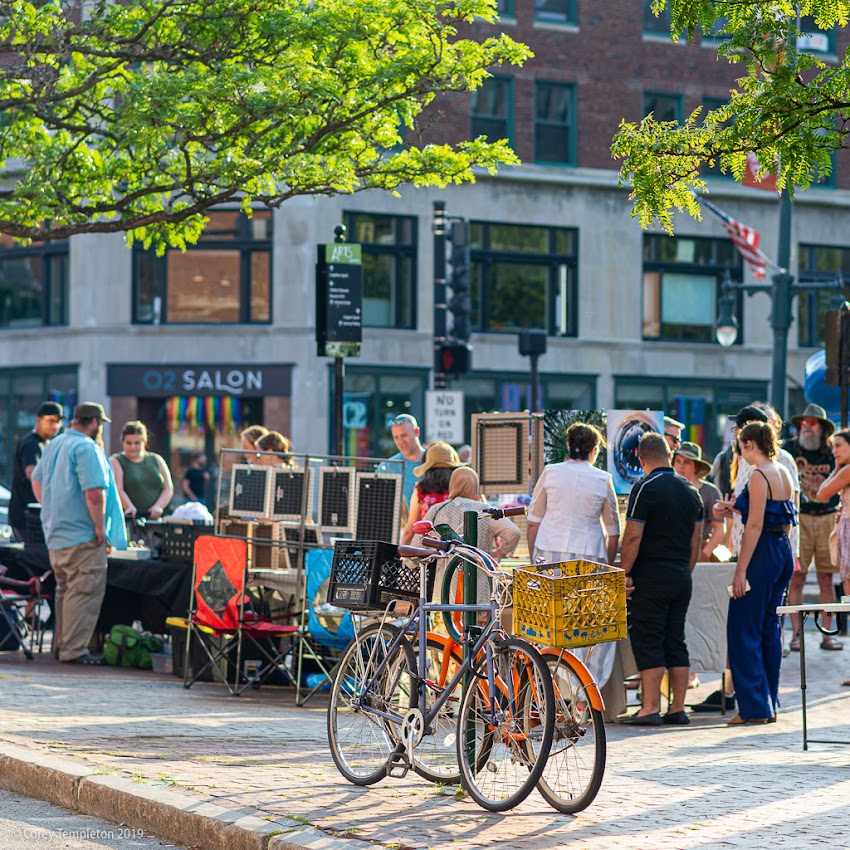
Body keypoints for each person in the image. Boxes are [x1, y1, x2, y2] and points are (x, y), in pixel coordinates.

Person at [31, 402, 127, 666]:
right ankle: (74, 650)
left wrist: (50, 507)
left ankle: (62, 645)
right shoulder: (86, 448)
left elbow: (36, 480)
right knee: (83, 592)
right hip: (81, 533)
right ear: (95, 423)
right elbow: (95, 492)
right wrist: (99, 529)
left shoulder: (55, 444)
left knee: (66, 590)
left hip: (56, 532)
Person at [527, 422, 621, 688]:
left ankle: (554, 686)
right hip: (590, 555)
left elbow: (534, 520)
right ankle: (584, 689)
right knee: (587, 622)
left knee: (550, 620)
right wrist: (609, 563)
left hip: (550, 551)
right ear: (595, 449)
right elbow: (613, 529)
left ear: (568, 446)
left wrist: (536, 560)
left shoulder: (551, 472)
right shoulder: (603, 478)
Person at [715, 421, 796, 725]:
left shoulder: (759, 475)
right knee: (768, 628)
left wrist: (741, 571)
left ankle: (753, 708)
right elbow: (784, 519)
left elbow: (755, 525)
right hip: (782, 549)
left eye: (740, 446)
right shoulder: (783, 471)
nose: (740, 453)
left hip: (762, 551)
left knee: (742, 628)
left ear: (750, 444)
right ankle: (768, 702)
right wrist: (736, 508)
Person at [619, 432, 703, 726]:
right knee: (675, 639)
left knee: (649, 638)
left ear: (640, 458)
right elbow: (697, 540)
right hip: (681, 574)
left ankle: (649, 708)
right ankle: (677, 708)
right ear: (669, 455)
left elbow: (632, 535)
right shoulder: (691, 490)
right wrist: (685, 570)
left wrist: (624, 573)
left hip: (651, 575)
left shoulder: (644, 488)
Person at [785, 403, 842, 650]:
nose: (807, 427)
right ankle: (796, 636)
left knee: (826, 579)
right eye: (803, 422)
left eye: (812, 422)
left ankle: (827, 634)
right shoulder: (789, 449)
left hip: (828, 516)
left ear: (822, 427)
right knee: (796, 577)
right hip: (801, 517)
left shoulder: (832, 452)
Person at [816, 429, 850, 684]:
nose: (834, 451)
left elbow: (822, 493)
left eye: (838, 446)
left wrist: (837, 468)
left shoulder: (846, 470)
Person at [8, 401, 64, 542]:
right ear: (38, 420)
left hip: (35, 515)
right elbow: (32, 474)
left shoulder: (46, 443)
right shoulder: (32, 444)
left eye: (58, 422)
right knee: (35, 560)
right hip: (28, 517)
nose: (55, 426)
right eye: (50, 421)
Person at [672, 442, 726, 562]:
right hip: (673, 551)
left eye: (687, 462)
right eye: (678, 461)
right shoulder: (669, 489)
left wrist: (704, 554)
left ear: (696, 466)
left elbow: (719, 529)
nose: (681, 466)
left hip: (700, 550)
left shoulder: (709, 491)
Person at [400, 442, 462, 545]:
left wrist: (400, 554)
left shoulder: (420, 490)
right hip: (458, 547)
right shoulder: (460, 487)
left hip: (428, 549)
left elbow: (410, 531)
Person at [110, 421, 174, 519]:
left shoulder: (156, 459)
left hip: (154, 519)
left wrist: (158, 506)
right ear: (123, 442)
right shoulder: (116, 460)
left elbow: (168, 488)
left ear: (144, 441)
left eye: (137, 443)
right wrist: (129, 508)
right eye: (128, 443)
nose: (133, 447)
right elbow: (118, 489)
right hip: (129, 518)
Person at [378, 414, 425, 509]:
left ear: (417, 432)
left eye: (404, 435)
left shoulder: (434, 461)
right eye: (396, 437)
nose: (401, 441)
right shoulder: (387, 467)